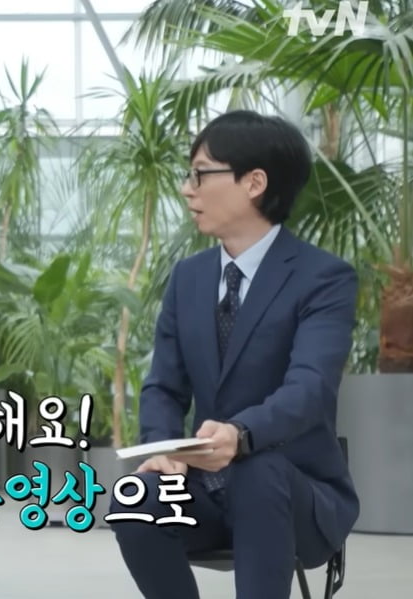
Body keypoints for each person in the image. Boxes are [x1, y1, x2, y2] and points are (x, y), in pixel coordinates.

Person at [108, 110, 358, 599]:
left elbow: (310, 388)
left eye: (200, 174)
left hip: (293, 494)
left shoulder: (323, 278)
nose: (187, 189)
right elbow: (163, 386)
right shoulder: (189, 277)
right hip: (204, 492)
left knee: (257, 469)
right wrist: (161, 447)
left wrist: (241, 435)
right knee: (134, 498)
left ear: (254, 183)